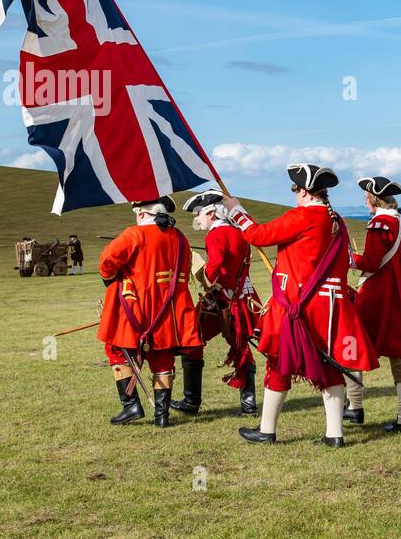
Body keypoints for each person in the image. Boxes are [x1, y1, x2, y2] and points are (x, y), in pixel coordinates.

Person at [222, 164, 378, 447]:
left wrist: (236, 211)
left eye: (295, 189)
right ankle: (334, 434)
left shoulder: (303, 216)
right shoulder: (337, 221)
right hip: (331, 304)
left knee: (278, 362)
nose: (294, 194)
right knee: (328, 365)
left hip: (298, 305)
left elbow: (258, 235)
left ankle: (267, 430)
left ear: (305, 191)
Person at [96, 198, 203, 427]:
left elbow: (106, 261)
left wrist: (112, 278)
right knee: (162, 356)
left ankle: (131, 405)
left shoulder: (134, 234)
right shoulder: (181, 238)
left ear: (142, 213)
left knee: (117, 349)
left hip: (138, 308)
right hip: (171, 311)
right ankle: (161, 416)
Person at [344, 175, 401, 432]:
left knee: (351, 346)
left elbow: (370, 262)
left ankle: (355, 407)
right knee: (400, 357)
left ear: (372, 198)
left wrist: (349, 259)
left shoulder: (379, 223)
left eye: (366, 196)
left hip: (377, 295)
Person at [172, 190, 262, 418]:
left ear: (211, 213)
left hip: (221, 299)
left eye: (199, 213)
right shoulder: (239, 232)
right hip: (244, 297)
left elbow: (216, 265)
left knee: (191, 339)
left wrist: (206, 276)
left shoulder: (214, 236)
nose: (198, 218)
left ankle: (191, 402)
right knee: (240, 345)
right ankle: (249, 405)